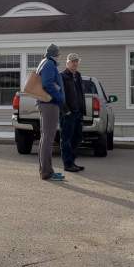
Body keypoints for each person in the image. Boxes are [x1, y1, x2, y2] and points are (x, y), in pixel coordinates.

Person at [37, 44, 66, 181]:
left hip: (47, 104)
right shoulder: (49, 64)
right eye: (58, 53)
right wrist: (60, 98)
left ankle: (46, 170)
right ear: (54, 54)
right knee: (48, 138)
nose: (59, 55)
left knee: (46, 138)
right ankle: (47, 172)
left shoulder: (46, 63)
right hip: (50, 104)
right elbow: (47, 83)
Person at [60, 53, 86, 173]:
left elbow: (81, 94)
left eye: (76, 61)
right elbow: (60, 96)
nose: (75, 63)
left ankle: (72, 162)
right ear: (67, 63)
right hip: (68, 114)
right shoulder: (62, 76)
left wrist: (82, 111)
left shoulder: (78, 75)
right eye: (72, 61)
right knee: (66, 139)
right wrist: (66, 111)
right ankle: (67, 164)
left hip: (78, 113)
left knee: (78, 137)